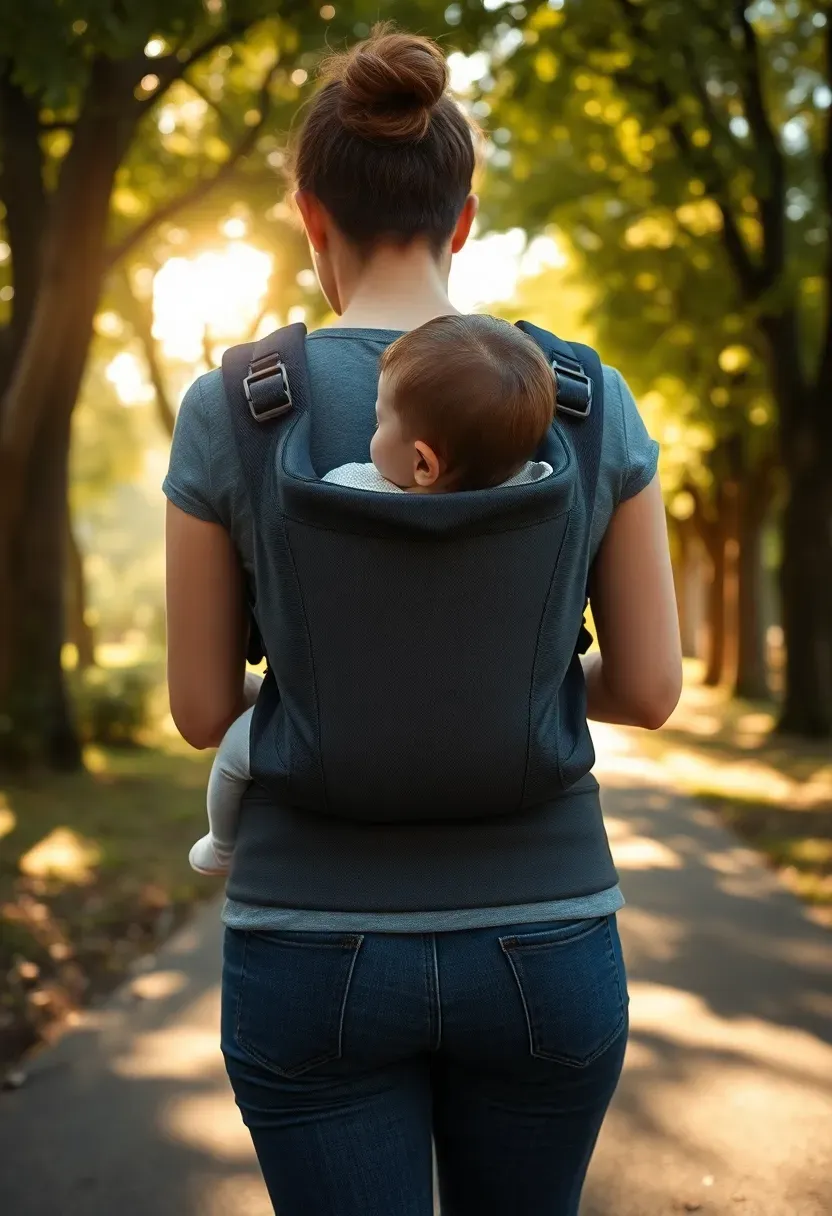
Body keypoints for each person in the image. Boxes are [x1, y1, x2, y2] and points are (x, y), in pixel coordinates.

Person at [164, 23, 682, 1216]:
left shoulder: (239, 404)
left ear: (309, 214)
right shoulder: (583, 397)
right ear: (462, 219)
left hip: (308, 942)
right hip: (547, 941)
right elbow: (651, 690)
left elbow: (201, 711)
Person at [188, 313, 556, 876]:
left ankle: (222, 845)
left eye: (379, 420)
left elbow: (200, 713)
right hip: (530, 862)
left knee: (240, 754)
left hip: (322, 817)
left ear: (423, 463)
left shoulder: (349, 488)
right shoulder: (535, 483)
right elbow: (647, 695)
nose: (371, 429)